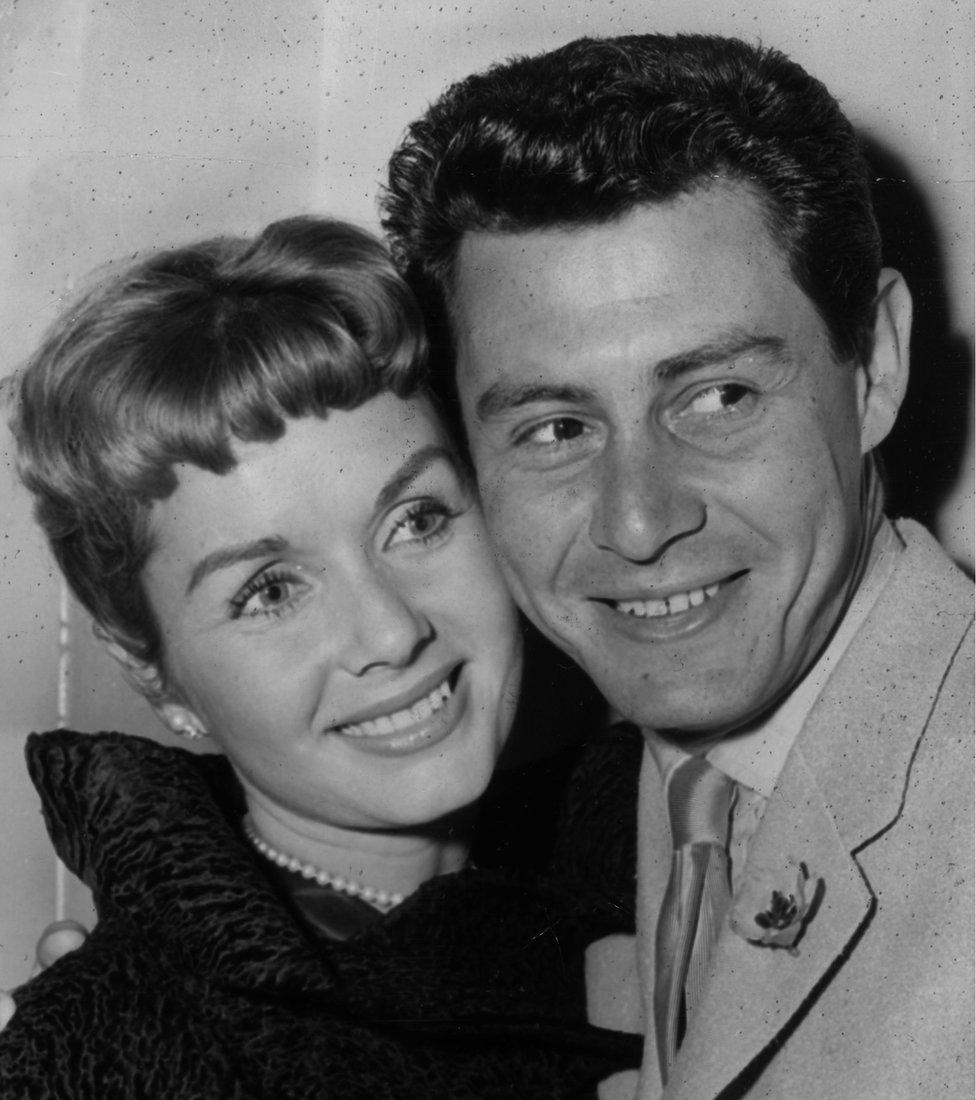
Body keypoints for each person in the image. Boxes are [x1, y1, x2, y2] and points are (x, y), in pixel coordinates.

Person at [381, 32, 975, 1100]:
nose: (639, 521)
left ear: (875, 365)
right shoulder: (634, 792)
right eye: (554, 427)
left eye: (719, 398)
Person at [0, 215, 640, 1097]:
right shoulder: (112, 1050)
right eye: (270, 590)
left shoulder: (649, 857)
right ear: (155, 673)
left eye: (414, 521)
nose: (391, 632)